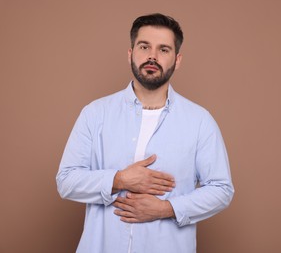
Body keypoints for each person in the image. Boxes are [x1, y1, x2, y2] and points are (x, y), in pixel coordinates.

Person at [56, 13, 234, 253]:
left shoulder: (199, 121)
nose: (152, 56)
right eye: (144, 46)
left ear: (177, 59)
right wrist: (119, 180)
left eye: (163, 49)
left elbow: (222, 189)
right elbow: (66, 181)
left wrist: (167, 209)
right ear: (131, 53)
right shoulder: (95, 113)